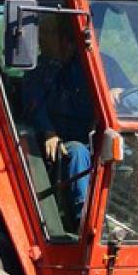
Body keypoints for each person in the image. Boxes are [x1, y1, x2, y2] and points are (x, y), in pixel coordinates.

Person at [20, 21, 97, 215]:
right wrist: (48, 132)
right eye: (41, 34)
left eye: (47, 33)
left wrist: (118, 92)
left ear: (69, 40)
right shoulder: (38, 71)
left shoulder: (95, 66)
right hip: (61, 140)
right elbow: (33, 104)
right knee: (77, 152)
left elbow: (131, 94)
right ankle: (83, 215)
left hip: (96, 136)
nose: (40, 40)